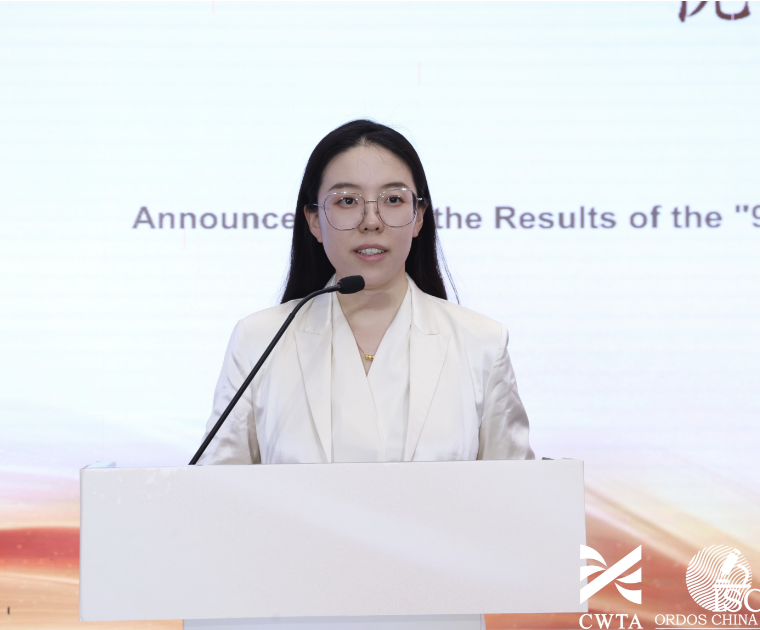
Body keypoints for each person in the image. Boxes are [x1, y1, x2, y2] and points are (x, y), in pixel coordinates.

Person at [197, 120, 534, 465]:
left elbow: (517, 490)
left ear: (418, 216)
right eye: (346, 200)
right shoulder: (258, 341)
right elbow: (215, 488)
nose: (371, 221)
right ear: (314, 220)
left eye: (393, 199)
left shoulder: (482, 343)